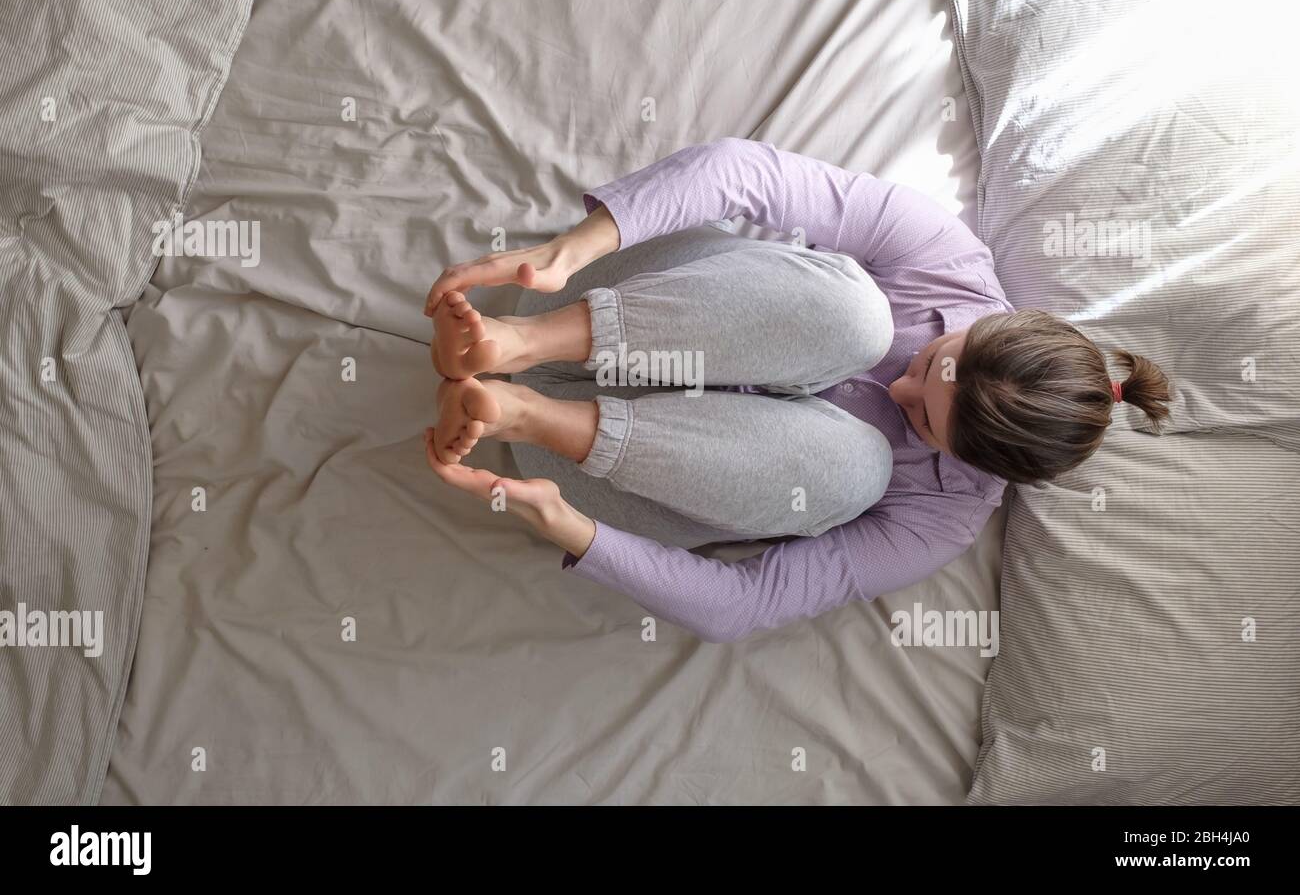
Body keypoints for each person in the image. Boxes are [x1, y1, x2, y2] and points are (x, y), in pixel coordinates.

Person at [421, 138, 1173, 642]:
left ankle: (527, 412)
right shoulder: (946, 259)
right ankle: (518, 344)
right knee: (859, 317)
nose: (904, 386)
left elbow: (748, 604)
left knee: (860, 468)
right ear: (991, 324)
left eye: (927, 421)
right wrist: (569, 251)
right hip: (589, 297)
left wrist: (569, 527)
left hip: (578, 465)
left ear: (977, 462)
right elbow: (745, 171)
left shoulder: (939, 519)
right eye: (937, 359)